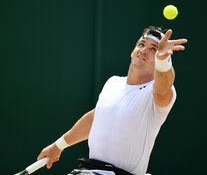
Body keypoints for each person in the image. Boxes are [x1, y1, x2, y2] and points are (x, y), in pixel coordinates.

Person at [37, 26, 188, 175]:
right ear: (132, 51)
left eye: (153, 49)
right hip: (89, 171)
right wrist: (58, 146)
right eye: (141, 44)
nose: (144, 50)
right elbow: (97, 118)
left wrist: (163, 61)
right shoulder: (113, 82)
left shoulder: (157, 91)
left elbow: (163, 88)